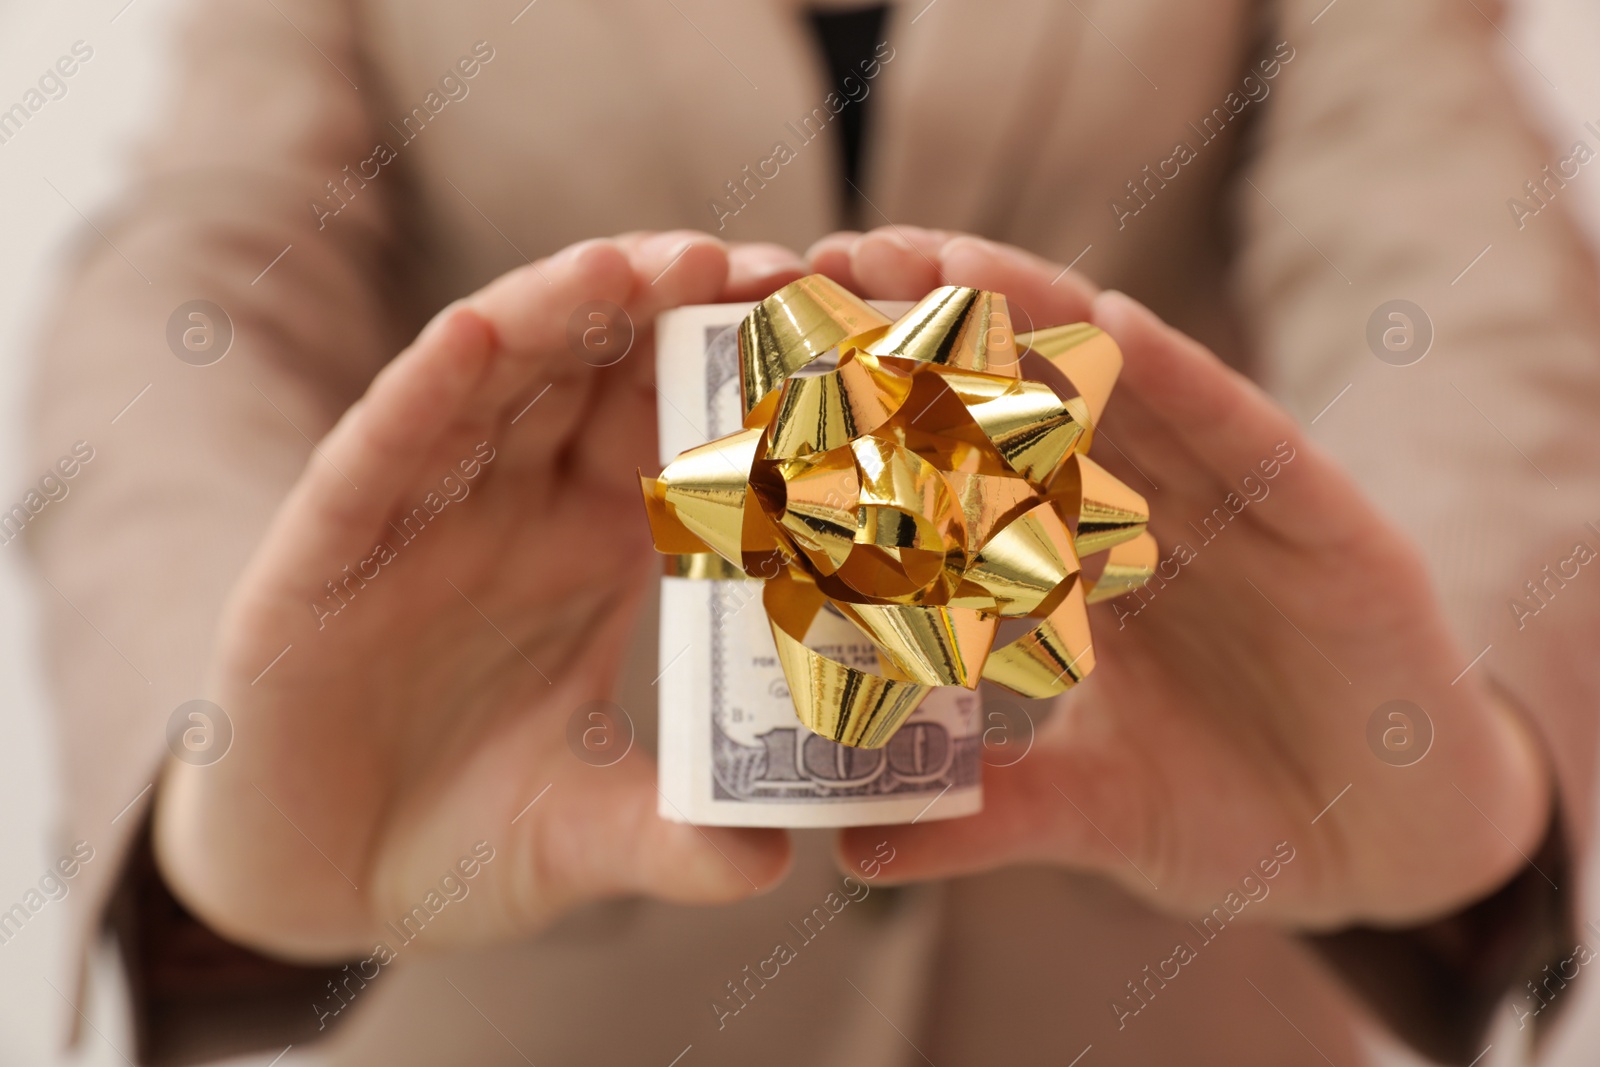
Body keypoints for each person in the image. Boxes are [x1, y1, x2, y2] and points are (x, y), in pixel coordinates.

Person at [26, 0, 1600, 1064]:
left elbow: (1458, 269)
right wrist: (214, 753)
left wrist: (1444, 728)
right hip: (528, 983)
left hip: (1163, 979)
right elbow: (198, 270)